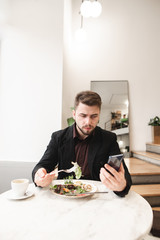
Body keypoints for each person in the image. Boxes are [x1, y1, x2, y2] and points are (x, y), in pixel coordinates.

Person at [32, 90, 132, 197]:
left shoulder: (109, 139)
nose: (88, 122)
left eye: (94, 116)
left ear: (99, 116)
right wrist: (39, 176)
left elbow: (123, 174)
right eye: (83, 115)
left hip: (97, 197)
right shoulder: (58, 137)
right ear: (74, 115)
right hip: (65, 195)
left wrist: (121, 185)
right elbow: (42, 166)